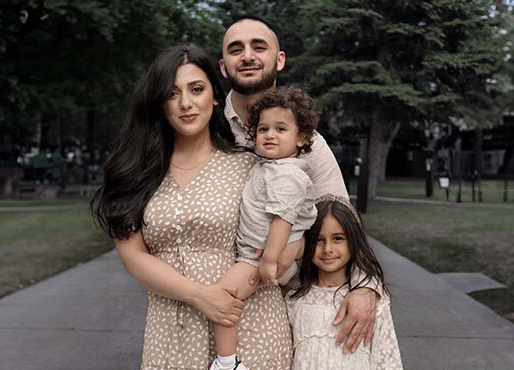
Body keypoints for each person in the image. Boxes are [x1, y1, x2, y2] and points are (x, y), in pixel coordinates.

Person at [91, 45, 292, 370]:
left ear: (214, 95)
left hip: (249, 328)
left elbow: (280, 242)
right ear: (159, 104)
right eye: (172, 94)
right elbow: (133, 257)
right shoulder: (136, 173)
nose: (186, 103)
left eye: (196, 89)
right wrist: (200, 295)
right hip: (172, 332)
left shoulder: (252, 167)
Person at [219, 15, 380, 353]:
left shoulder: (310, 145)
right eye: (236, 49)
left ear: (279, 60)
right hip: (215, 291)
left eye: (258, 47)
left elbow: (342, 215)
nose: (247, 56)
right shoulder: (206, 128)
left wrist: (365, 287)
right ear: (224, 66)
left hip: (284, 302)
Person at [210, 87, 318, 370]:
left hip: (262, 257)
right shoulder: (269, 166)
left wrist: (269, 261)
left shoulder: (288, 174)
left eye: (281, 128)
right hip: (260, 253)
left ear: (302, 138)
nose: (270, 135)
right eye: (263, 129)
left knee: (223, 297)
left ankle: (227, 363)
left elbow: (283, 219)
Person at [285, 196, 403, 370]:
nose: (328, 249)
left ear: (353, 241)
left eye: (338, 238)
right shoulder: (294, 300)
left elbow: (387, 361)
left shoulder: (373, 303)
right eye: (318, 239)